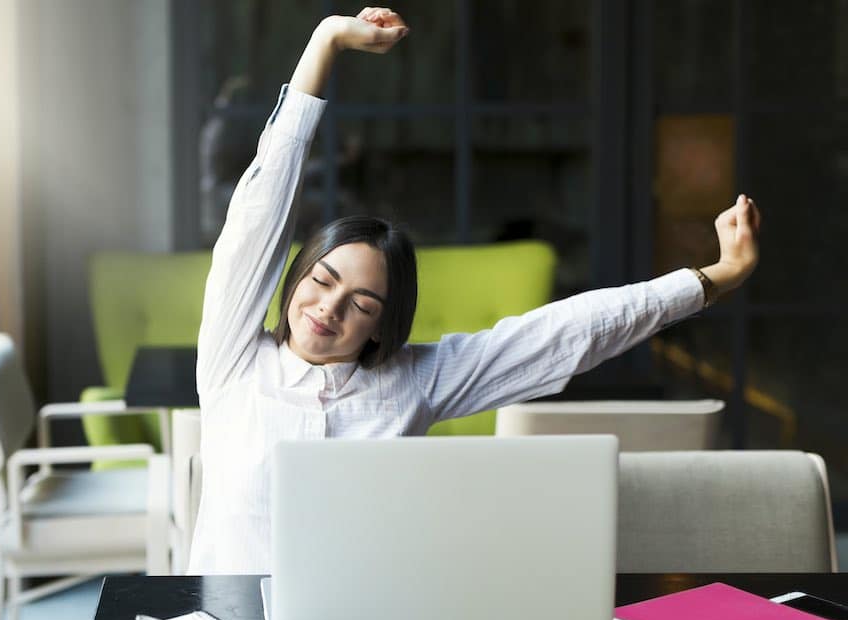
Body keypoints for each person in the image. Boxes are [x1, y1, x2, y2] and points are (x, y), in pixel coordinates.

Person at [190, 7, 761, 575]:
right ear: (298, 276)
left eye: (362, 304)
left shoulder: (412, 381)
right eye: (321, 280)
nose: (329, 308)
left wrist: (712, 280)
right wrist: (326, 42)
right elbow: (258, 214)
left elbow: (566, 333)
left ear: (380, 327)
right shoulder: (234, 361)